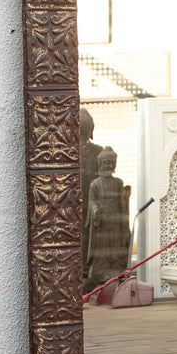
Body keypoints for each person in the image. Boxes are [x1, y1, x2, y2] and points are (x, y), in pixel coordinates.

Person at [86, 147, 131, 284]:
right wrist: (95, 209)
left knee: (116, 251)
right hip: (102, 226)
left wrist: (126, 198)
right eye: (106, 162)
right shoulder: (95, 184)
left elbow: (122, 205)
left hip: (116, 224)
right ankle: (101, 277)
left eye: (112, 162)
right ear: (99, 164)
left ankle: (116, 274)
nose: (109, 165)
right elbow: (91, 202)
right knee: (103, 251)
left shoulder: (118, 183)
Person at [79, 107, 102, 278]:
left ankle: (88, 268)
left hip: (92, 201)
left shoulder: (99, 152)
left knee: (90, 235)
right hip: (80, 201)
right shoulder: (67, 151)